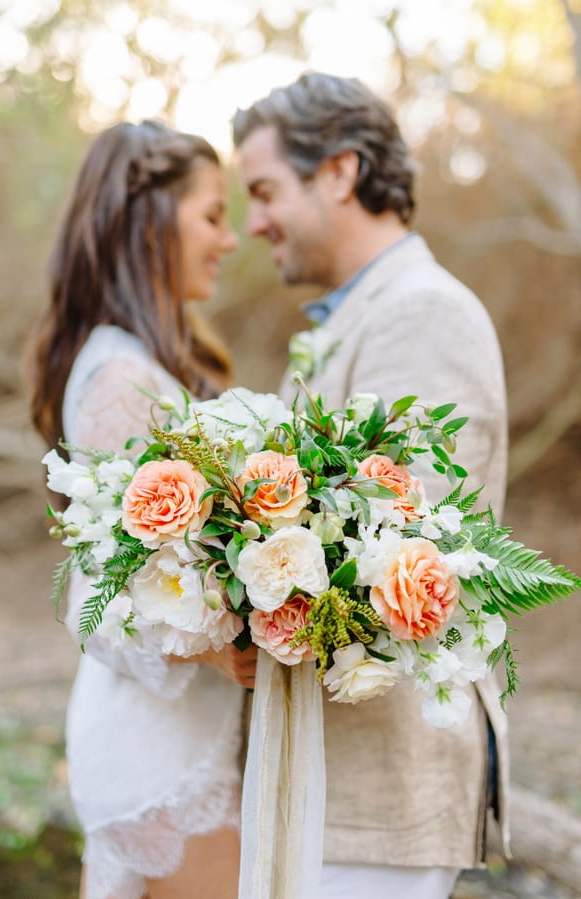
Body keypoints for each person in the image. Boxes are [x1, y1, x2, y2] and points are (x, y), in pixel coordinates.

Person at [233, 73, 509, 899]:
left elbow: (399, 548)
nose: (253, 222)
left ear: (339, 173)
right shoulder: (347, 322)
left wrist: (233, 602)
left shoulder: (424, 314)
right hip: (327, 779)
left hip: (380, 783)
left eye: (264, 191)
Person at [28, 120, 257, 899]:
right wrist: (219, 645)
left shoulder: (149, 367)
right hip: (162, 758)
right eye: (212, 215)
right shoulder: (123, 382)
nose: (230, 239)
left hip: (186, 736)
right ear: (150, 222)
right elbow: (98, 604)